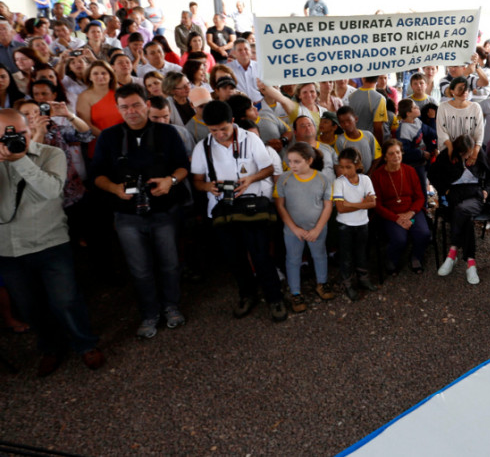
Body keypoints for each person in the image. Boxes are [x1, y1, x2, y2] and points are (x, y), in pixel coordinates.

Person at [0, 108, 104, 376]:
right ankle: (50, 348)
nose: (13, 140)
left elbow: (50, 190)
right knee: (30, 307)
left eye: (20, 133)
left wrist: (20, 159)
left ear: (30, 130)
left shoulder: (50, 154)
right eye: (5, 135)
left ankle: (85, 344)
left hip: (50, 243)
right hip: (8, 250)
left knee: (66, 300)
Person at [90, 84, 190, 339]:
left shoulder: (167, 133)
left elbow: (182, 167)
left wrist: (170, 181)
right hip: (127, 215)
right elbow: (97, 175)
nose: (131, 111)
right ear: (118, 108)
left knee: (169, 263)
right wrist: (115, 188)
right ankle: (149, 313)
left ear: (147, 104)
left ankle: (171, 306)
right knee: (140, 269)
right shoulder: (109, 137)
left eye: (136, 105)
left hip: (164, 210)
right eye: (124, 107)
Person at [191, 100, 287, 322]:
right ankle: (247, 295)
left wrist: (250, 179)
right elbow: (197, 180)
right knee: (234, 258)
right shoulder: (202, 147)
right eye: (213, 130)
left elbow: (268, 168)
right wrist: (209, 186)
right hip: (222, 209)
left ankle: (275, 298)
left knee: (261, 254)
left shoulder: (250, 139)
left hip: (252, 207)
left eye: (223, 129)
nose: (220, 135)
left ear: (232, 122)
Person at [275, 142, 334, 310]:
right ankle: (295, 292)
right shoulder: (284, 179)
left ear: (309, 160)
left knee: (320, 255)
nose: (291, 165)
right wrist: (294, 229)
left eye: (296, 161)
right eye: (290, 161)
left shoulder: (323, 179)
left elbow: (328, 206)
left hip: (318, 228)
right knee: (293, 259)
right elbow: (280, 206)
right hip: (292, 230)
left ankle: (322, 283)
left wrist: (317, 229)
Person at [430, 134, 490, 285]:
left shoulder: (479, 153)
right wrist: (443, 190)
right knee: (466, 218)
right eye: (465, 153)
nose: (469, 155)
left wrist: (486, 190)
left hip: (474, 194)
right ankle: (470, 263)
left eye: (470, 152)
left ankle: (453, 252)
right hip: (454, 193)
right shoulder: (447, 155)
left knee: (461, 211)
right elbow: (432, 174)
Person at [371, 138, 431, 275]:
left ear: (402, 153)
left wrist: (410, 213)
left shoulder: (410, 170)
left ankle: (416, 257)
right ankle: (391, 259)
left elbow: (420, 197)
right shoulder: (377, 175)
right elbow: (377, 204)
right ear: (385, 156)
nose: (395, 156)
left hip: (412, 212)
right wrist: (396, 218)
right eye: (391, 153)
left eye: (398, 152)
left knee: (423, 233)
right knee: (399, 239)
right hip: (391, 215)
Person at [333, 147, 377, 301]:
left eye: (348, 167)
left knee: (361, 253)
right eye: (342, 167)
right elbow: (340, 208)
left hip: (362, 224)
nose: (344, 171)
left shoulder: (365, 180)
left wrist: (350, 204)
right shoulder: (339, 183)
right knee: (346, 256)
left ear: (357, 165)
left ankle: (363, 280)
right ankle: (348, 284)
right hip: (345, 226)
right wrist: (362, 203)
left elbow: (373, 204)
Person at [437, 76, 484, 164]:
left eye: (466, 89)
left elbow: (479, 131)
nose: (464, 92)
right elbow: (441, 131)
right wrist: (450, 149)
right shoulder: (443, 107)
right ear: (452, 91)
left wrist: (475, 152)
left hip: (470, 152)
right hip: (449, 151)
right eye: (460, 89)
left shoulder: (475, 107)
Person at [334, 105, 382, 173]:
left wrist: (370, 174)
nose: (346, 124)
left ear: (356, 119)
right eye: (342, 122)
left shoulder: (368, 136)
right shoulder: (340, 141)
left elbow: (377, 157)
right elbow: (339, 164)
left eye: (349, 120)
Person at [344, 76, 387, 143]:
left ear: (363, 78)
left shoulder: (352, 96)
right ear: (377, 79)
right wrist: (379, 147)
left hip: (351, 140)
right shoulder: (379, 98)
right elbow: (378, 127)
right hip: (369, 142)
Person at [227, 39, 261, 103]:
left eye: (246, 49)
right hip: (239, 106)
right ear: (234, 53)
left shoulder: (260, 67)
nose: (243, 52)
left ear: (250, 51)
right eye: (240, 50)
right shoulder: (227, 69)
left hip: (260, 105)